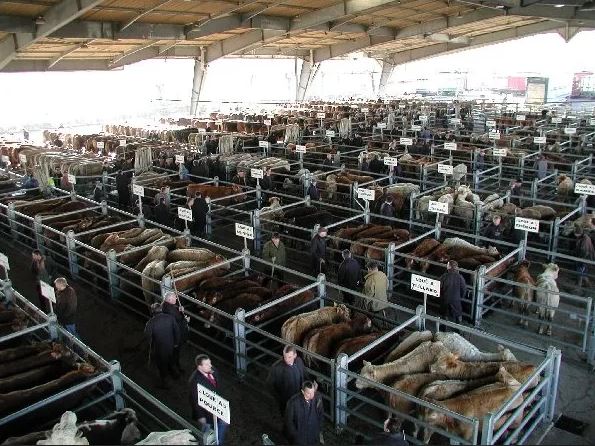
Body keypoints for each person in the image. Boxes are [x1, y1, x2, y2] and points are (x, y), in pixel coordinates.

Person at [189, 354, 229, 444]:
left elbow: (219, 388)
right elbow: (195, 400)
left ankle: (219, 443)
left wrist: (223, 407)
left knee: (222, 426)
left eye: (210, 363)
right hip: (205, 413)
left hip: (217, 407)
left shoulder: (213, 371)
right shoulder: (195, 381)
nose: (210, 366)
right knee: (206, 433)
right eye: (207, 364)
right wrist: (201, 416)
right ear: (199, 367)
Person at [145, 302, 181, 388]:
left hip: (159, 348)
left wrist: (151, 346)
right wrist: (176, 343)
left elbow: (148, 336)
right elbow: (177, 331)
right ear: (161, 309)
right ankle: (175, 374)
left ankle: (165, 381)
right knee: (171, 359)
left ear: (152, 311)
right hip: (171, 344)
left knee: (162, 364)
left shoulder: (150, 323)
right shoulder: (170, 318)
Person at [267, 345, 306, 414]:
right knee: (288, 419)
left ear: (295, 355)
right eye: (285, 357)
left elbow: (304, 376)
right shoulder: (277, 368)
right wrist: (280, 399)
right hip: (286, 402)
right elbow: (269, 385)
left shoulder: (299, 362)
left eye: (289, 357)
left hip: (299, 398)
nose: (287, 360)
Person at [285, 381, 324, 446]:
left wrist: (319, 429)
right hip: (300, 438)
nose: (312, 395)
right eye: (309, 393)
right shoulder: (293, 402)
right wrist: (295, 435)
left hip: (314, 435)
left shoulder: (318, 397)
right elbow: (289, 421)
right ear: (303, 392)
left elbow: (321, 414)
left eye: (313, 392)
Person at [162, 291, 189, 374]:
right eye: (174, 297)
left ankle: (175, 366)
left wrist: (179, 309)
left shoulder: (165, 305)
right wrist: (186, 320)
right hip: (174, 337)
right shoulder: (170, 310)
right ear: (169, 299)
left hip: (170, 335)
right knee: (174, 353)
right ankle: (172, 369)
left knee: (175, 353)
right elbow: (176, 324)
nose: (176, 298)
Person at [362, 261, 390, 328]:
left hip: (375, 305)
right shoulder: (383, 274)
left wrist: (365, 304)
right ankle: (385, 322)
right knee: (382, 308)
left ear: (370, 269)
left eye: (368, 269)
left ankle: (374, 326)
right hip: (384, 301)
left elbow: (369, 295)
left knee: (366, 311)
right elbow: (387, 286)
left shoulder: (370, 279)